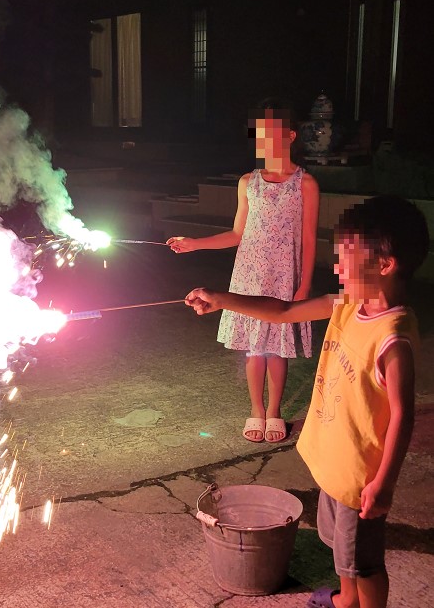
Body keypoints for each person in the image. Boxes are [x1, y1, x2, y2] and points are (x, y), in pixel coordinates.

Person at [185, 195, 430, 608]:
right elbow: (282, 312)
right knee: (342, 553)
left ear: (384, 265)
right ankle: (345, 599)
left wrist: (383, 483)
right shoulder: (348, 305)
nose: (337, 268)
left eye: (347, 258)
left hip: (359, 477)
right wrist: (224, 298)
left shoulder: (393, 337)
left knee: (365, 564)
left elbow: (404, 416)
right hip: (332, 462)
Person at [167, 98, 319, 443]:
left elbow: (309, 240)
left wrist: (304, 285)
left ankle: (275, 411)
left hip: (284, 278)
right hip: (249, 276)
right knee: (254, 348)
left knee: (277, 348)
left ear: (291, 135)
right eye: (260, 136)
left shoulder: (305, 184)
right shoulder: (248, 182)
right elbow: (237, 234)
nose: (266, 142)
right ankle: (256, 410)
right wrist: (195, 243)